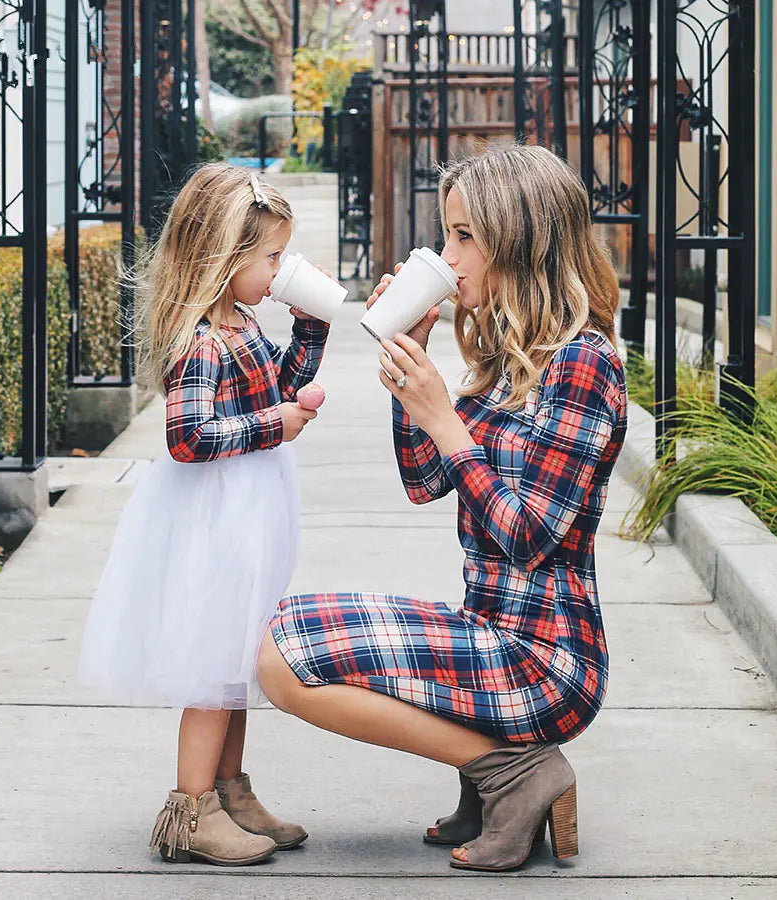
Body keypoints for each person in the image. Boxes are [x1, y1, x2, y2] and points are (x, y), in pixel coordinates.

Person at [257, 143, 628, 872]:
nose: (446, 256)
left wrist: (445, 420)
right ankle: (492, 772)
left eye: (464, 237)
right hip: (489, 630)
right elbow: (425, 482)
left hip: (546, 661)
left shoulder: (584, 363)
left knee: (283, 663)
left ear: (519, 243)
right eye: (447, 234)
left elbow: (527, 539)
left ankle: (516, 772)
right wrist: (412, 374)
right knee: (276, 633)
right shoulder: (507, 351)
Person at [79, 164, 330, 866]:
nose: (281, 270)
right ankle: (190, 812)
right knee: (211, 666)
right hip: (217, 517)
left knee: (236, 660)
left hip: (248, 512)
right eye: (272, 257)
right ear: (223, 258)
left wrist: (309, 332)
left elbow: (281, 384)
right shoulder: (200, 341)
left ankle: (230, 791)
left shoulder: (242, 322)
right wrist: (272, 427)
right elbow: (187, 439)